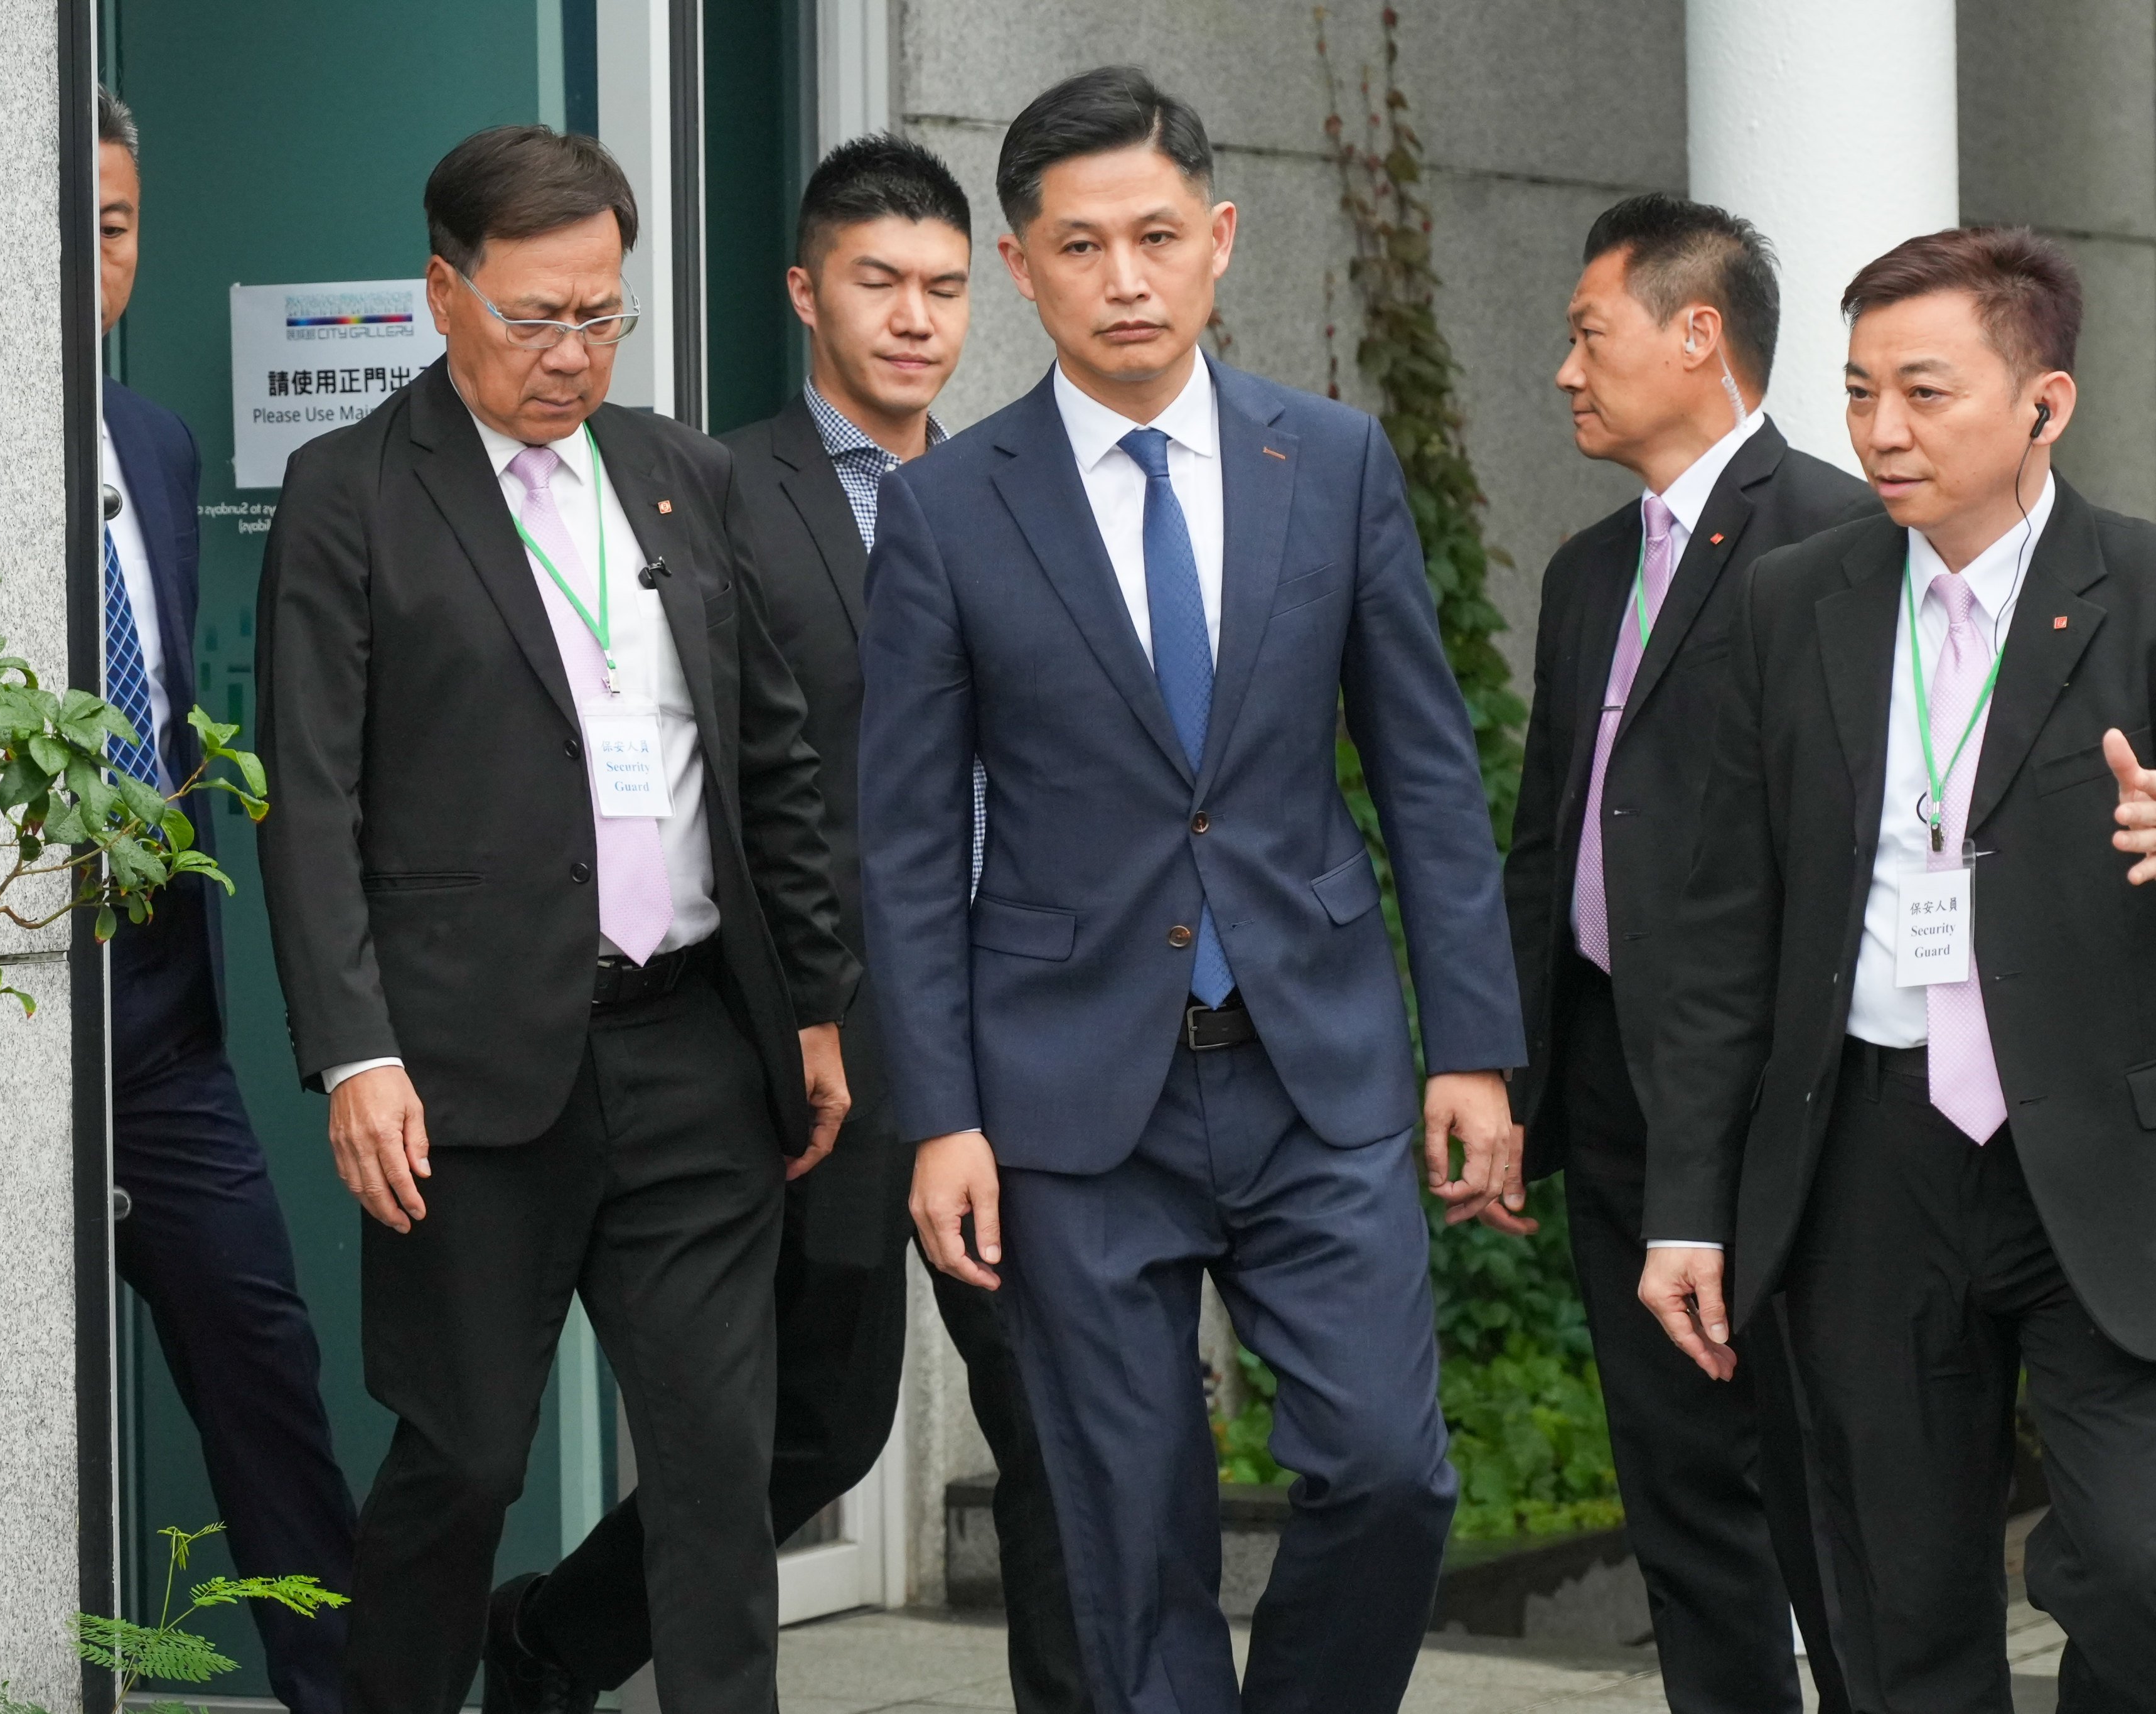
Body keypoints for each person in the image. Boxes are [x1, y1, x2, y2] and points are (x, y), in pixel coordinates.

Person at [860, 67, 1527, 1714]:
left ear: (1220, 239)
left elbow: (1432, 775)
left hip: (1321, 1068)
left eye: (1158, 235)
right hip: (1071, 1097)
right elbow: (900, 833)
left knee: (1391, 1474)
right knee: (1125, 1531)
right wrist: (939, 1115)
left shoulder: (1340, 463)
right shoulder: (950, 510)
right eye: (1081, 247)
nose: (1128, 278)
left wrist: (1474, 1048)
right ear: (1021, 269)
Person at [1635, 227, 2156, 1709]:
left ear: (2044, 404)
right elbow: (1718, 934)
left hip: (2094, 1156)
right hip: (1864, 1162)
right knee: (1895, 1604)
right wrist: (1688, 1206)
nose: (1880, 432)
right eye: (1856, 392)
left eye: (1924, 392)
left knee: (2146, 1570)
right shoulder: (1793, 603)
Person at [252, 124, 856, 1714]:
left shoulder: (679, 474)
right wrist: (354, 1053)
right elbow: (309, 804)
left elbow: (767, 755)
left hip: (690, 1058)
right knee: (464, 1462)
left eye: (603, 313)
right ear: (442, 295)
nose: (573, 353)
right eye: (537, 316)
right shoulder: (351, 495)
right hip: (466, 1074)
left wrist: (807, 1003)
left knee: (721, 1468)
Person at [482, 135, 1088, 1714]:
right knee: (815, 1425)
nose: (914, 319)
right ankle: (552, 1637)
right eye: (879, 283)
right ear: (805, 293)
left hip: (1005, 1021)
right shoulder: (715, 487)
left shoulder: (1017, 495)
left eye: (947, 290)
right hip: (821, 1031)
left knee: (1049, 1404)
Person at [1497, 193, 1874, 1713]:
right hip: (1606, 1077)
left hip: (1780, 1099)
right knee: (1669, 1479)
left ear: (1695, 332)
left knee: (1813, 1469)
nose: (1566, 371)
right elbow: (1544, 840)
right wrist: (1511, 1084)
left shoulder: (1842, 536)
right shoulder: (1588, 570)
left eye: (1590, 334)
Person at [94, 86, 357, 1714]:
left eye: (115, 227)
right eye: (65, 222)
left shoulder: (156, 443)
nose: (94, 258)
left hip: (164, 1040)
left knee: (267, 1379)